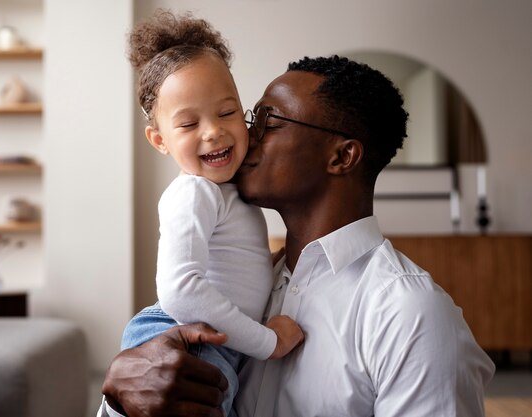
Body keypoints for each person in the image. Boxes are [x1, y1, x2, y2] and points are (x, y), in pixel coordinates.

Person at [100, 54, 495, 417]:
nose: (242, 136)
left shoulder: (410, 313)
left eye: (269, 122)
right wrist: (120, 403)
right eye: (251, 118)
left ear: (341, 156)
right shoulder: (244, 285)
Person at [115, 10, 304, 417]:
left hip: (217, 342)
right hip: (184, 335)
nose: (213, 131)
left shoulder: (229, 193)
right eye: (188, 123)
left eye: (226, 112)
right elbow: (181, 290)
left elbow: (230, 266)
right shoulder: (195, 191)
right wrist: (267, 342)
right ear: (159, 140)